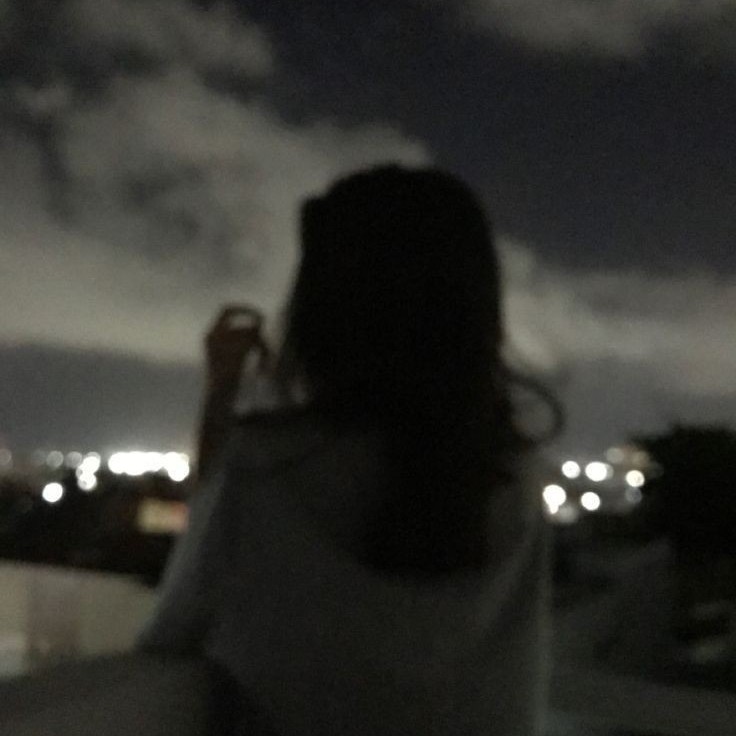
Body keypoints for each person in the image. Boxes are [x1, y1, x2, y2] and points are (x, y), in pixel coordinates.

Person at [137, 164, 558, 735]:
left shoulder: (269, 466)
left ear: (324, 308)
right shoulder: (513, 479)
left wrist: (221, 398)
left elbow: (175, 629)